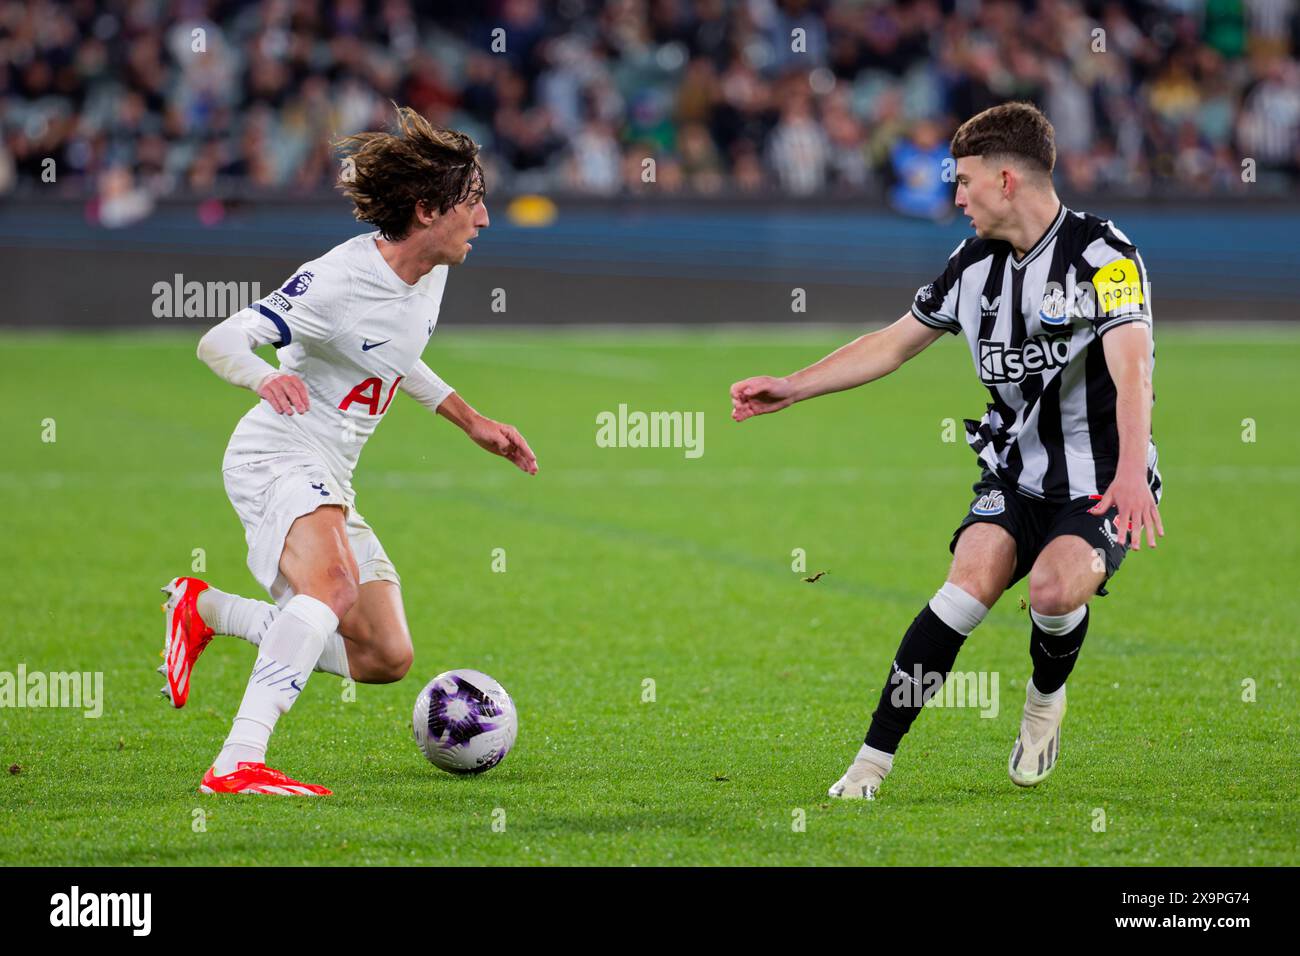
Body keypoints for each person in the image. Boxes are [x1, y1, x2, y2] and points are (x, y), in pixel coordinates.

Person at [730, 102, 1163, 800]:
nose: (954, 196)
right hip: (1014, 471)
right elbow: (894, 341)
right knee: (966, 590)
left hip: (1102, 477)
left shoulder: (1104, 256)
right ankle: (872, 760)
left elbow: (1132, 366)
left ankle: (1045, 698)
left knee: (1054, 594)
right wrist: (793, 385)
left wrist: (1134, 472)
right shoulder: (973, 262)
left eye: (963, 181)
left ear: (1005, 180)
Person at [161, 107, 538, 796]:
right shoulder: (337, 281)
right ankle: (237, 761)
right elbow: (218, 339)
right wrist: (265, 373)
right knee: (330, 590)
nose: (483, 221)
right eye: (473, 205)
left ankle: (205, 610)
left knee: (386, 656)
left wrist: (469, 419)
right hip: (278, 452)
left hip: (331, 470)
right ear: (427, 211)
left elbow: (395, 354)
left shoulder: (433, 268)